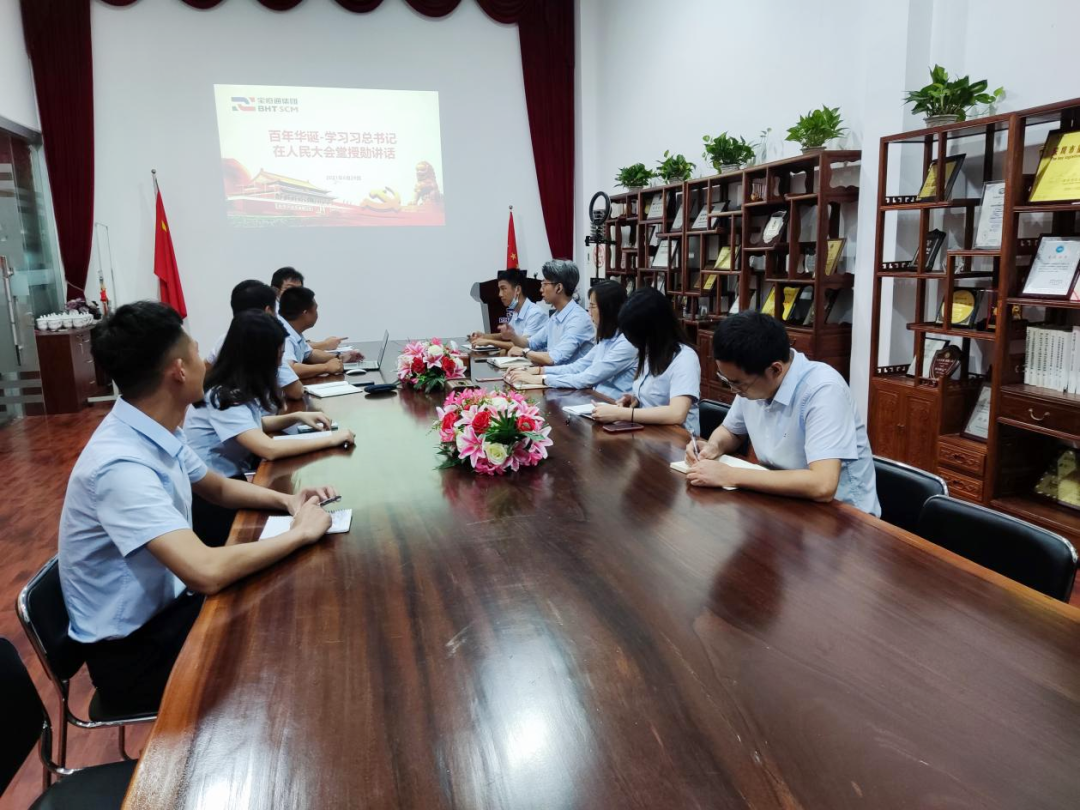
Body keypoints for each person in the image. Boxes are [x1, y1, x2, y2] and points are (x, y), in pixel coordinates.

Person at [59, 301, 338, 714]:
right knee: (290, 648)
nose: (205, 361)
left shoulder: (152, 427)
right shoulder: (119, 466)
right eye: (194, 351)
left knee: (291, 609)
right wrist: (299, 534)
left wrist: (288, 500)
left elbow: (218, 488)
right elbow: (205, 571)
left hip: (170, 612)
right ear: (178, 370)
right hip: (136, 655)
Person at [684, 310, 880, 515]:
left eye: (738, 384)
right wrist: (713, 446)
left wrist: (730, 475)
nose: (735, 391)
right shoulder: (753, 382)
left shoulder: (823, 390)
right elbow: (732, 431)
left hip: (842, 516)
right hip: (783, 501)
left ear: (775, 370)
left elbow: (822, 485)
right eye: (727, 381)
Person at [185, 311, 356, 544]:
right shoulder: (223, 396)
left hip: (230, 483)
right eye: (278, 356)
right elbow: (268, 448)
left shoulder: (235, 387)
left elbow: (252, 426)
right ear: (259, 358)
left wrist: (295, 416)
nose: (279, 364)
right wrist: (332, 439)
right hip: (213, 500)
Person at [593, 287, 700, 433]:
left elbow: (677, 413)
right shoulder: (652, 352)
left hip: (678, 440)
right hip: (649, 434)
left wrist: (622, 414)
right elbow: (656, 398)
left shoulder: (685, 358)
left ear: (651, 331)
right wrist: (636, 400)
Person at [506, 280, 636, 400]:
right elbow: (579, 367)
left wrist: (540, 379)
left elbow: (586, 378)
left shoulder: (626, 344)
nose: (589, 312)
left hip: (612, 406)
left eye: (592, 307)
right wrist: (537, 371)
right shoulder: (608, 338)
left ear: (607, 309)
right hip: (596, 399)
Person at [205, 279, 304, 401]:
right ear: (268, 312)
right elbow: (296, 391)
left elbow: (205, 371)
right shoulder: (266, 343)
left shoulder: (224, 339)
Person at [502, 260, 593, 366]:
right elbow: (531, 343)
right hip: (551, 374)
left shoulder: (578, 319)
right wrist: (513, 336)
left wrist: (524, 352)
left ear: (559, 288)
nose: (541, 289)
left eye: (544, 284)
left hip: (568, 376)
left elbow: (555, 357)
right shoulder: (555, 317)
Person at [277, 287, 350, 380]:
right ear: (305, 313)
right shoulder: (284, 336)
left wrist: (339, 357)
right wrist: (326, 367)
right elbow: (290, 369)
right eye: (315, 309)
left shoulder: (294, 330)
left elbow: (309, 354)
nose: (317, 314)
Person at [468, 268, 547, 351]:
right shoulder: (516, 311)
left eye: (503, 289)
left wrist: (489, 342)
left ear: (518, 290)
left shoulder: (535, 314)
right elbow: (507, 335)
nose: (500, 294)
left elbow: (523, 345)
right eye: (499, 289)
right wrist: (484, 336)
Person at [271, 267, 346, 351]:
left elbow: (299, 344)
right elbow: (288, 345)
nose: (295, 294)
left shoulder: (292, 311)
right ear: (276, 291)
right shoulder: (274, 313)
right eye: (290, 289)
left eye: (299, 290)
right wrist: (326, 344)